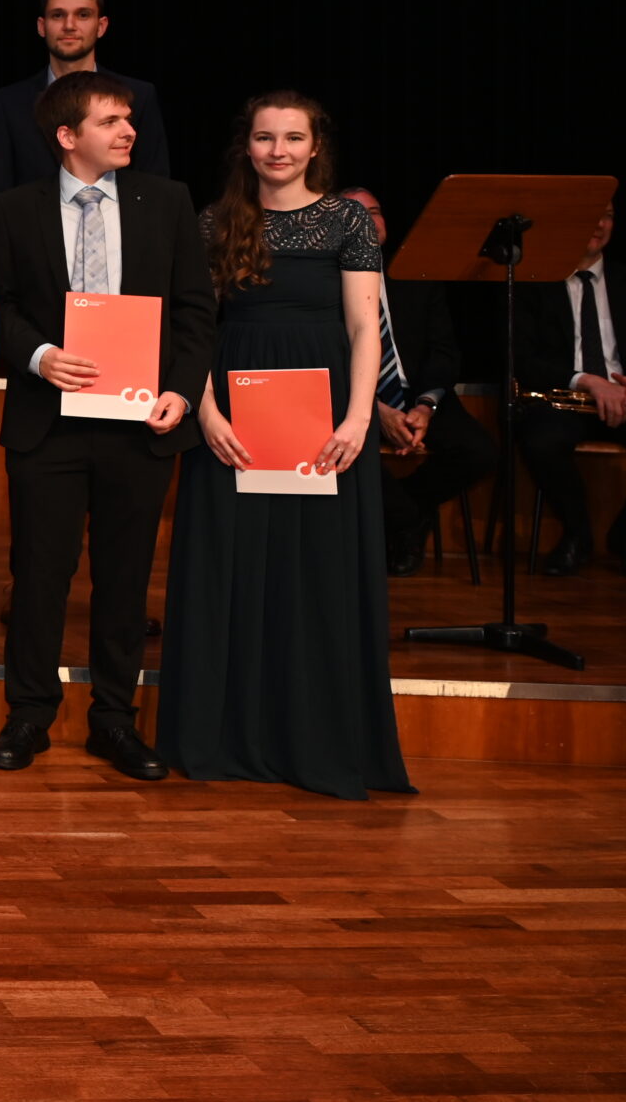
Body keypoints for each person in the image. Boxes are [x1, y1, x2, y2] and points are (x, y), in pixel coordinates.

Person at [162, 91, 412, 800]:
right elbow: (195, 330)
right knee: (232, 573)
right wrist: (207, 414)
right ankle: (228, 735)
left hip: (326, 424)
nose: (278, 150)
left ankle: (319, 739)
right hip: (235, 426)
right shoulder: (214, 220)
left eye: (292, 138)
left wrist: (360, 418)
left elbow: (366, 328)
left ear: (314, 146)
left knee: (319, 574)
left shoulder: (347, 220)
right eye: (265, 138)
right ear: (247, 146)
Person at [0, 73, 214, 779]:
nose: (128, 131)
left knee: (124, 579)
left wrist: (181, 388)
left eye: (129, 119)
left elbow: (196, 310)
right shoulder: (15, 209)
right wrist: (41, 355)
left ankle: (114, 718)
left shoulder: (167, 201)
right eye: (112, 120)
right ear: (67, 135)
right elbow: (0, 310)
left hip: (138, 423)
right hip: (47, 423)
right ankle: (28, 715)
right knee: (39, 574)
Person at [340, 186, 500, 577]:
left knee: (480, 451)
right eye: (353, 213)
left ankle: (405, 512)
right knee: (346, 452)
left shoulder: (415, 277)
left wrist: (424, 407)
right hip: (350, 401)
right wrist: (375, 411)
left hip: (418, 397)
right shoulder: (325, 283)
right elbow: (323, 363)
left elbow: (444, 352)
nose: (367, 220)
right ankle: (408, 523)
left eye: (374, 212)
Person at [520, 200, 626, 583]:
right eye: (587, 213)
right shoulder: (534, 282)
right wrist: (586, 380)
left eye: (606, 214)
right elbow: (519, 357)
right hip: (564, 399)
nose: (599, 223)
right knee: (541, 442)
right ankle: (577, 534)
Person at [0, 0, 172, 214]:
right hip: (34, 244)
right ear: (41, 26)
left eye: (83, 15)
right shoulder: (10, 102)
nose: (69, 25)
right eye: (58, 15)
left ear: (101, 26)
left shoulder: (139, 96)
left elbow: (156, 186)